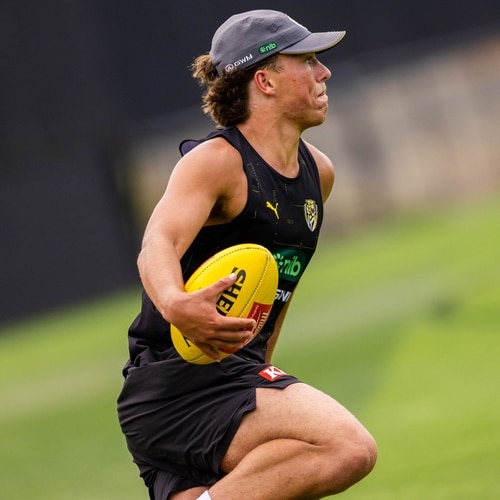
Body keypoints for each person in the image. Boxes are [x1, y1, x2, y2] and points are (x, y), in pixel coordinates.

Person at [117, 9, 377, 500]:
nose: (324, 72)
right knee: (348, 447)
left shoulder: (318, 174)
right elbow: (158, 243)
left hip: (231, 377)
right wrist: (175, 304)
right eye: (308, 60)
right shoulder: (216, 162)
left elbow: (276, 293)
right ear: (266, 81)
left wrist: (262, 369)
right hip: (175, 385)